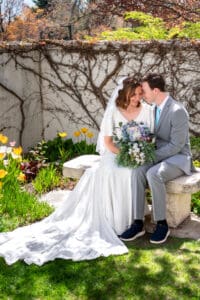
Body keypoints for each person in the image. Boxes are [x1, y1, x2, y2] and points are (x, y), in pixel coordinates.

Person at [0, 77, 154, 266]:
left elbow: (148, 138)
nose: (137, 98)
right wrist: (126, 155)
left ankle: (134, 221)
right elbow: (107, 143)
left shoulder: (146, 110)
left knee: (131, 173)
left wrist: (137, 153)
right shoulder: (114, 110)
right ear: (125, 93)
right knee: (114, 171)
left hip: (135, 154)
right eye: (133, 94)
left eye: (139, 94)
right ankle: (116, 222)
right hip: (116, 154)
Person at [120, 73, 194, 244]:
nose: (142, 94)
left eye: (144, 90)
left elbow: (176, 145)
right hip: (160, 156)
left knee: (154, 174)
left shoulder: (177, 111)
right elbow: (153, 136)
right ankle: (138, 223)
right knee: (137, 171)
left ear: (155, 90)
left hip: (179, 158)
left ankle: (162, 224)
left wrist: (150, 156)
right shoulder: (153, 109)